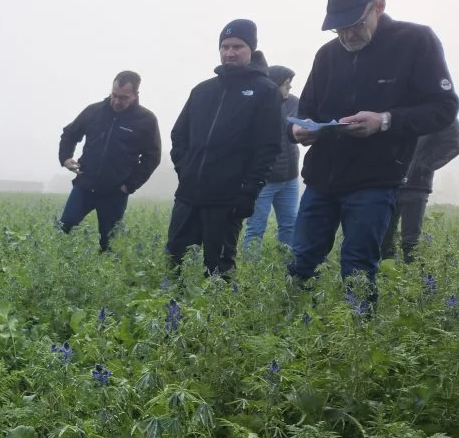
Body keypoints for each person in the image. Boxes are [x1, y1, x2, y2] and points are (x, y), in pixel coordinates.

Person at [288, 0, 459, 289]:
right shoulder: (327, 54)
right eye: (338, 28)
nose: (347, 35)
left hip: (375, 180)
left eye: (355, 23)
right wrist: (299, 129)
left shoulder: (415, 41)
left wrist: (384, 120)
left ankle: (358, 330)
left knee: (357, 264)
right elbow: (306, 110)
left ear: (379, 7)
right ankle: (292, 327)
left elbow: (444, 108)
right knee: (301, 259)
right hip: (321, 178)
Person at [166, 19, 283, 276]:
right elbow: (179, 135)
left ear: (251, 49)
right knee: (174, 261)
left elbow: (269, 148)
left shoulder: (265, 91)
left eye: (237, 46)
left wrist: (248, 192)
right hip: (188, 195)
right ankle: (172, 314)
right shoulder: (202, 91)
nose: (229, 52)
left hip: (227, 199)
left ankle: (219, 316)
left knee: (218, 270)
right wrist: (185, 169)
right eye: (225, 46)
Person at [57, 71, 162, 251]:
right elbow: (70, 133)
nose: (116, 101)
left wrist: (130, 185)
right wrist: (65, 157)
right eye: (114, 95)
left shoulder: (146, 120)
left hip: (115, 193)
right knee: (63, 228)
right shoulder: (94, 111)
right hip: (85, 184)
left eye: (123, 97)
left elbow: (152, 157)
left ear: (136, 95)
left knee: (109, 245)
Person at [381, 118, 459, 262]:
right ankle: (388, 276)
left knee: (410, 242)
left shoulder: (434, 110)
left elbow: (456, 142)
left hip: (416, 186)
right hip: (387, 184)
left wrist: (424, 166)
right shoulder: (395, 105)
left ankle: (412, 278)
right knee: (383, 238)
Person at [243, 65, 302, 250]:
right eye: (286, 84)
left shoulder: (294, 103)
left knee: (290, 224)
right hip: (265, 181)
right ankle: (250, 270)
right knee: (255, 228)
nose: (289, 88)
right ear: (274, 85)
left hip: (290, 178)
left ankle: (288, 268)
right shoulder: (258, 103)